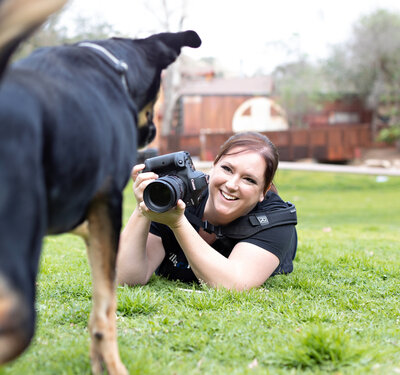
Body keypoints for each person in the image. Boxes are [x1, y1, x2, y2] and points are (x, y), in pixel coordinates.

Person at [116, 132, 297, 291]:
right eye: (227, 169)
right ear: (213, 165)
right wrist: (145, 207)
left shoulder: (274, 219)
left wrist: (178, 224)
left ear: (263, 192)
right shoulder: (177, 195)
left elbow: (233, 284)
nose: (232, 185)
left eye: (249, 180)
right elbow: (126, 278)